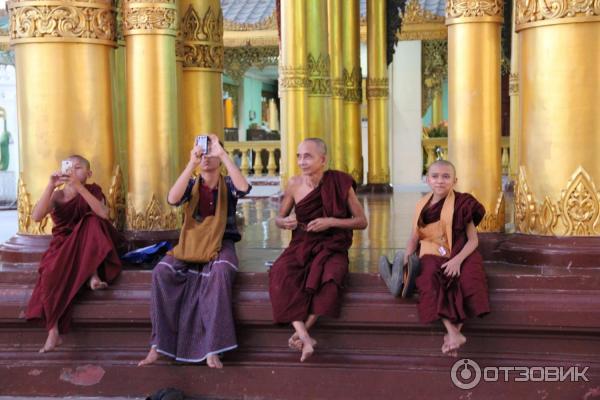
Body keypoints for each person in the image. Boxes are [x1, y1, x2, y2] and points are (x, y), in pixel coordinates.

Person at [138, 134, 251, 369]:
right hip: (191, 243)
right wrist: (192, 163)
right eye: (202, 150)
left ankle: (213, 348)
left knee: (220, 272)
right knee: (161, 272)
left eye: (212, 151)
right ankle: (157, 346)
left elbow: (244, 188)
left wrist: (222, 154)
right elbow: (172, 198)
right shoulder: (192, 184)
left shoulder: (227, 184)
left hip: (221, 242)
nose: (206, 155)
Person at [269, 138, 368, 362]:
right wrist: (283, 222)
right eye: (299, 156)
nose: (302, 161)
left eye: (308, 156)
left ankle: (301, 333)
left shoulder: (340, 182)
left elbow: (361, 221)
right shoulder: (294, 184)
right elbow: (279, 217)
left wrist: (331, 221)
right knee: (280, 272)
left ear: (322, 160)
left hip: (333, 243)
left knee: (331, 277)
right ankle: (304, 336)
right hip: (302, 242)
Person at [26, 155, 122, 353]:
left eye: (79, 168)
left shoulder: (93, 191)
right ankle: (53, 331)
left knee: (91, 221)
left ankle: (93, 275)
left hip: (89, 241)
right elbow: (36, 217)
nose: (73, 171)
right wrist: (51, 185)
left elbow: (103, 213)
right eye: (70, 167)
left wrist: (80, 187)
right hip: (63, 244)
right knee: (49, 271)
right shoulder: (58, 196)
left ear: (89, 173)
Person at [403, 160, 490, 357]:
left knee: (470, 280)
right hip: (432, 251)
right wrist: (407, 258)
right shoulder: (421, 205)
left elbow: (473, 240)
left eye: (446, 177)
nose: (440, 181)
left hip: (461, 251)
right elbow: (414, 237)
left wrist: (457, 261)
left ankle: (454, 335)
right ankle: (453, 333)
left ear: (455, 180)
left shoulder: (462, 204)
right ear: (427, 180)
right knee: (428, 280)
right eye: (435, 176)